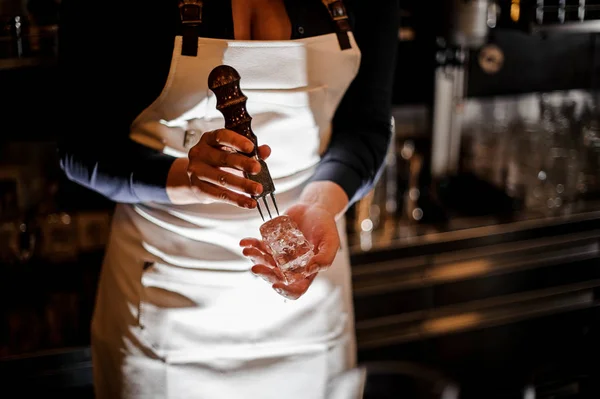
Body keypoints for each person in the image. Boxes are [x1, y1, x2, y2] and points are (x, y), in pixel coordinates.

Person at [57, 1, 398, 398]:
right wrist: (185, 176)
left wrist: (323, 202)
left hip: (309, 298)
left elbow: (367, 127)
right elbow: (80, 147)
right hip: (164, 301)